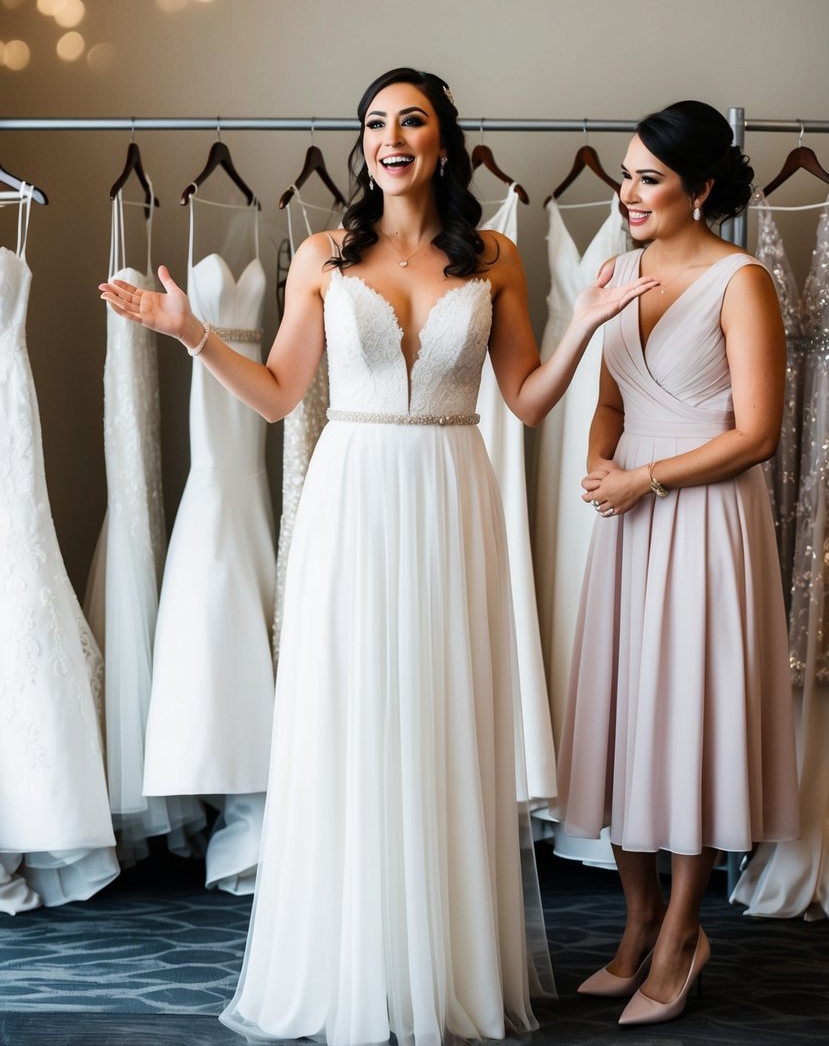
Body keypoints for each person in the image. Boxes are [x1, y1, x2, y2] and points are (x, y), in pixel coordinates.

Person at [100, 66, 655, 1046]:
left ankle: (440, 967)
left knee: (440, 716)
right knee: (350, 715)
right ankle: (349, 959)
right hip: (351, 495)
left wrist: (590, 327)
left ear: (443, 140)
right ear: (364, 143)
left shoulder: (493, 256)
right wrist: (188, 332)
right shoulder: (322, 253)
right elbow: (277, 393)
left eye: (412, 120)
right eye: (375, 122)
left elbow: (524, 400)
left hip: (450, 491)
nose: (390, 136)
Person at [555, 100, 800, 1027]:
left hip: (702, 520)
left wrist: (643, 480)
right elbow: (610, 399)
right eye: (624, 175)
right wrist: (596, 465)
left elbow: (758, 434)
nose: (628, 193)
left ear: (699, 188)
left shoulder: (742, 281)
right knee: (624, 718)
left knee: (689, 723)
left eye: (649, 178)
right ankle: (637, 920)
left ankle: (682, 933)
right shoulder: (615, 271)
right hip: (626, 516)